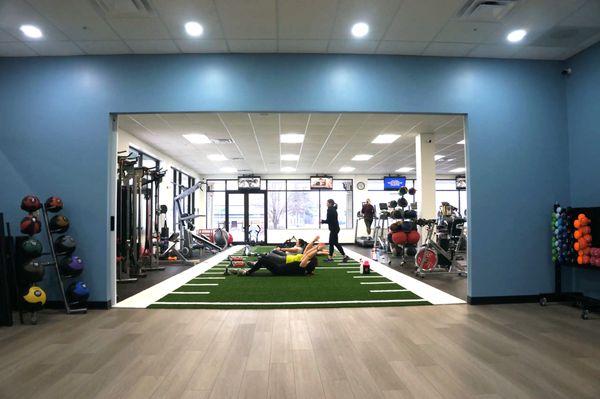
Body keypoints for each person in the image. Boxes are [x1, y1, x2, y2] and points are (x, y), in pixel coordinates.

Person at [233, 236, 321, 276]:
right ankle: (248, 268)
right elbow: (308, 253)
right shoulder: (304, 266)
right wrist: (316, 246)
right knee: (263, 259)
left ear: (308, 262)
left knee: (263, 260)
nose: (306, 256)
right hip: (280, 267)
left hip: (279, 270)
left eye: (308, 258)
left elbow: (308, 256)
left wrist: (317, 249)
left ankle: (247, 273)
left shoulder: (303, 266)